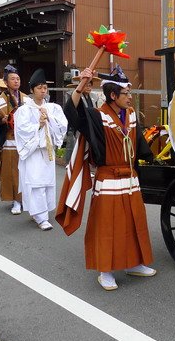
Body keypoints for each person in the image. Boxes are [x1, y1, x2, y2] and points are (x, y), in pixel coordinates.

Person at [56, 65, 155, 291]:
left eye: (130, 93)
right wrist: (82, 84)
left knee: (134, 222)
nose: (130, 97)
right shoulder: (96, 116)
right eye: (126, 94)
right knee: (107, 226)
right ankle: (105, 271)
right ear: (113, 95)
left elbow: (138, 143)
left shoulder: (130, 115)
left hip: (130, 177)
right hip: (108, 178)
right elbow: (71, 111)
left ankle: (134, 263)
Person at [14, 69, 67, 231]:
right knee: (35, 183)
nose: (43, 91)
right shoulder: (24, 110)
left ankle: (41, 212)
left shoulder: (53, 108)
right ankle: (41, 217)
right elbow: (21, 130)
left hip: (47, 152)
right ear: (32, 90)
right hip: (33, 152)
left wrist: (49, 118)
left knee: (47, 183)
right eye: (39, 88)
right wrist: (38, 124)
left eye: (45, 88)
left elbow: (62, 125)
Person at [0, 66, 29, 215]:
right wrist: (3, 120)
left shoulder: (26, 98)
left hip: (25, 142)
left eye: (18, 78)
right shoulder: (0, 100)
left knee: (26, 172)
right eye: (13, 79)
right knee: (11, 172)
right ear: (5, 82)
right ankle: (15, 201)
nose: (16, 81)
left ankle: (26, 198)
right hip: (10, 140)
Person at [63, 74, 101, 165]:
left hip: (90, 126)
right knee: (75, 149)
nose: (88, 87)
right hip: (77, 126)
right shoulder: (74, 95)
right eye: (86, 85)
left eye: (90, 85)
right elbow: (70, 110)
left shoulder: (94, 97)